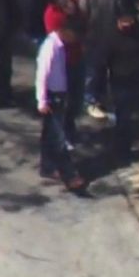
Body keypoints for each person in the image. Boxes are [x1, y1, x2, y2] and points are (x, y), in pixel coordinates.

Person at [36, 24, 86, 190]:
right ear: (66, 31)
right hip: (52, 97)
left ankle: (47, 167)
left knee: (48, 134)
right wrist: (42, 100)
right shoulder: (50, 46)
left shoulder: (60, 46)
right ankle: (69, 175)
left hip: (59, 95)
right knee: (58, 137)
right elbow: (42, 74)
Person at [79, 0, 126, 120]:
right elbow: (83, 15)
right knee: (93, 73)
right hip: (95, 39)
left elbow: (123, 8)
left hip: (114, 39)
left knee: (109, 73)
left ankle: (105, 100)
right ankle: (90, 101)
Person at [106, 10, 139, 164]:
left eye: (129, 21)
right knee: (123, 119)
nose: (126, 25)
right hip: (120, 83)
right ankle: (121, 151)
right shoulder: (111, 37)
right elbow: (103, 61)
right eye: (123, 22)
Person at [44, 0, 86, 149]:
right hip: (62, 63)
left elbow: (84, 24)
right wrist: (71, 19)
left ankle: (70, 126)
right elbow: (65, 37)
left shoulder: (73, 6)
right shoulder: (52, 14)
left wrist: (74, 12)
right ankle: (63, 134)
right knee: (63, 101)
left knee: (77, 98)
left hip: (77, 58)